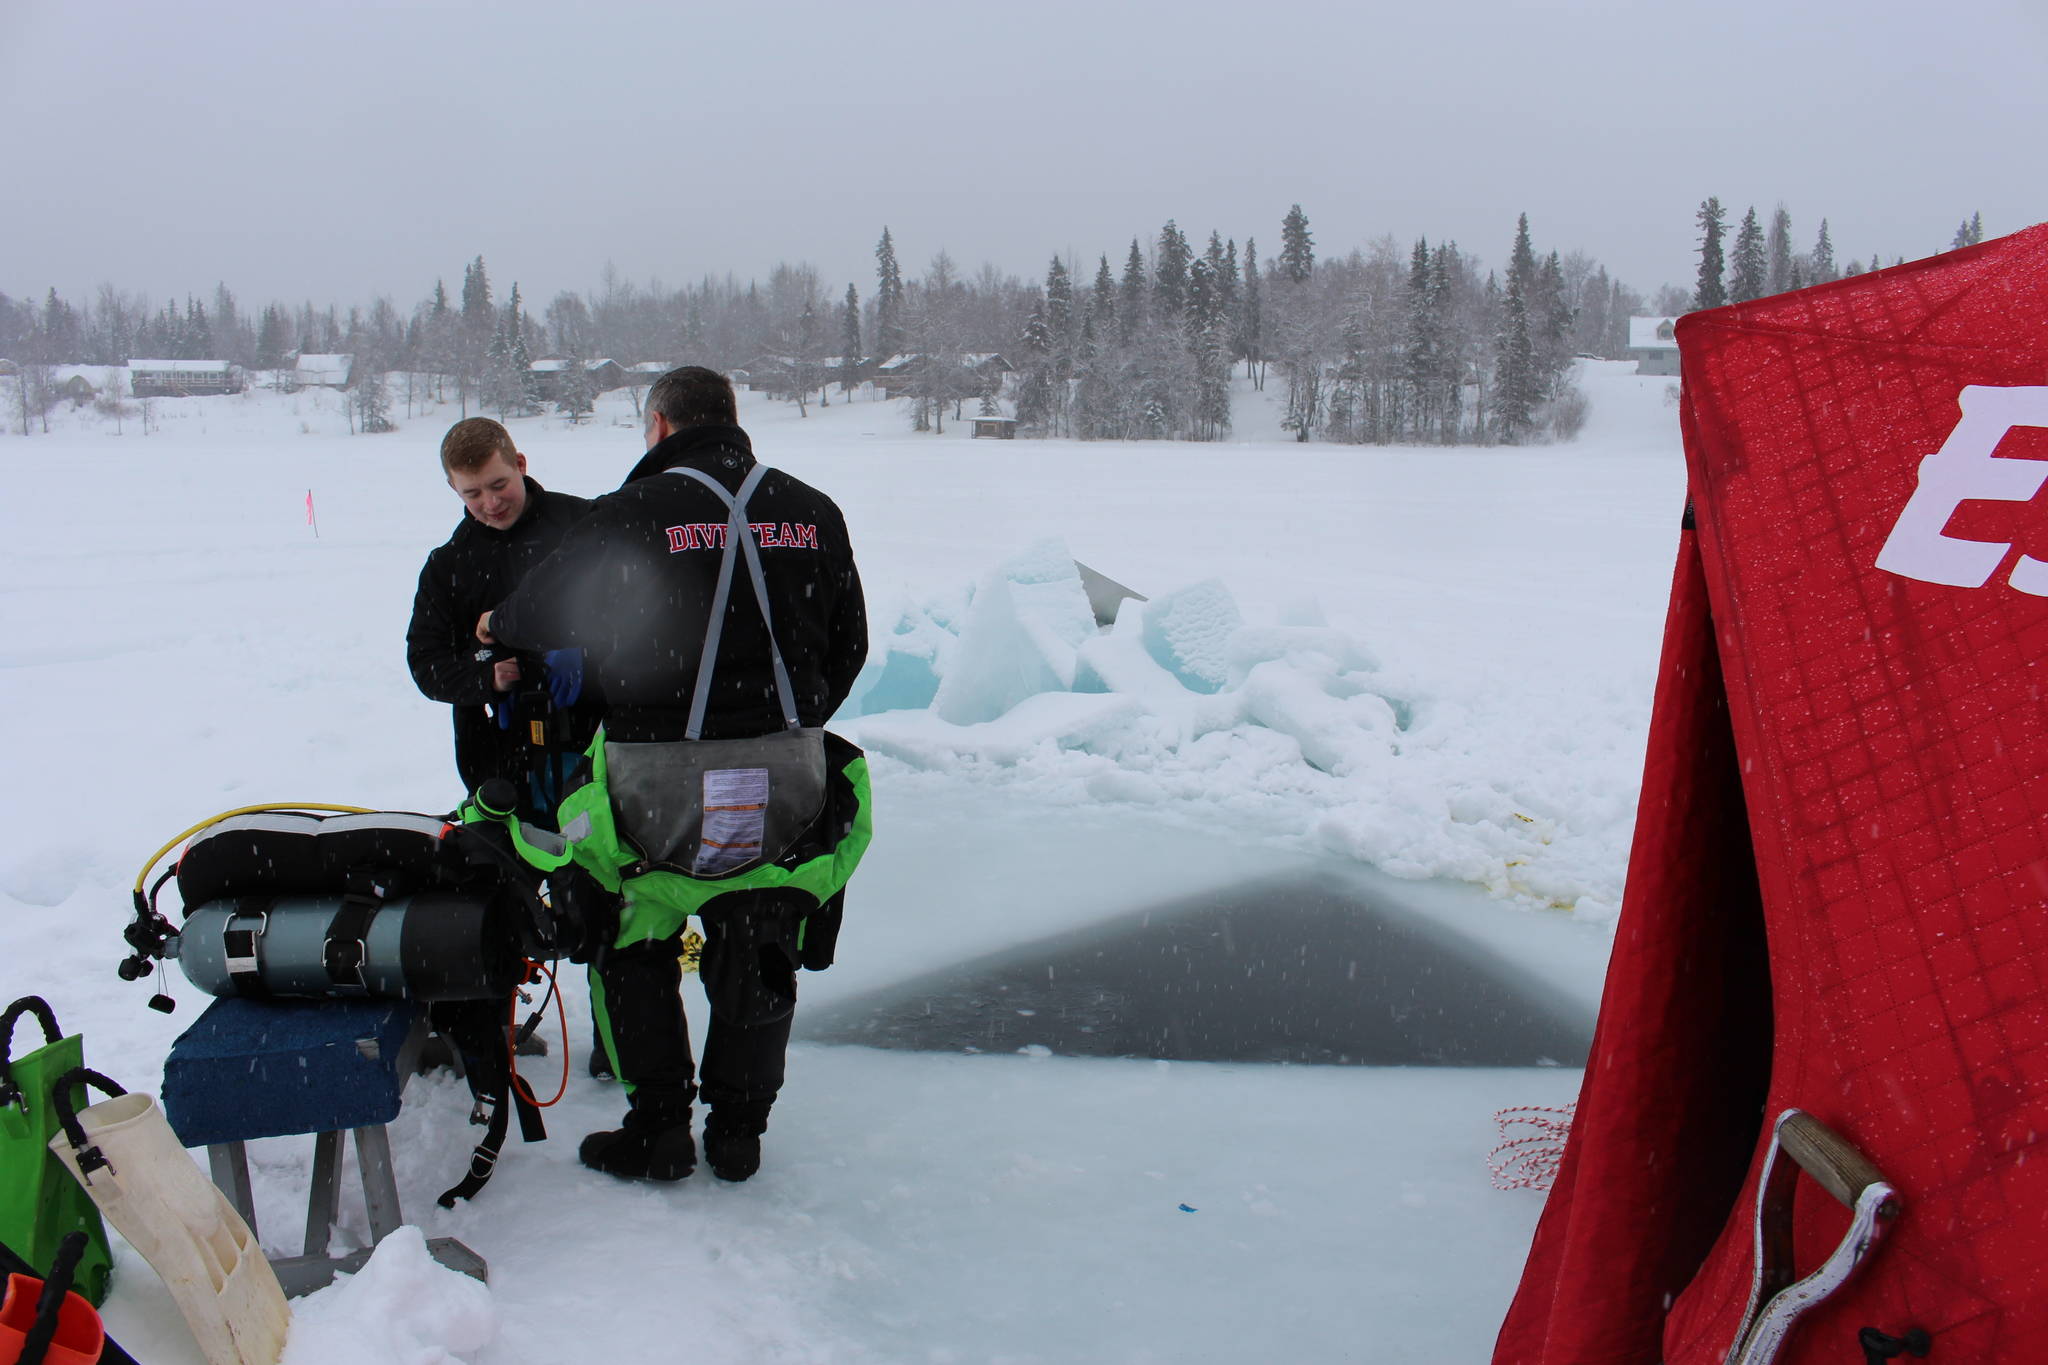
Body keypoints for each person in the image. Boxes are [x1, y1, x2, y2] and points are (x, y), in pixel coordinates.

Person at [477, 367, 867, 1183]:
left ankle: (658, 1126)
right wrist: (783, 715)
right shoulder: (811, 509)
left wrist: (494, 623)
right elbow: (850, 642)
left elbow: (537, 615)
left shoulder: (631, 512)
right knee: (759, 930)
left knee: (631, 933)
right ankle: (739, 1131)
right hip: (785, 775)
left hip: (653, 783)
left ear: (658, 426)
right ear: (733, 419)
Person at [407, 417, 604, 823]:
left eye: (499, 485)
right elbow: (427, 665)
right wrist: (487, 678)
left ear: (520, 463)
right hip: (499, 765)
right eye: (473, 493)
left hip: (599, 751)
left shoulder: (586, 524)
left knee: (597, 878)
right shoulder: (448, 565)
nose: (491, 504)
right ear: (453, 488)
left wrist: (589, 656)